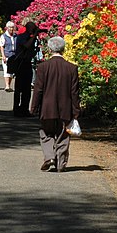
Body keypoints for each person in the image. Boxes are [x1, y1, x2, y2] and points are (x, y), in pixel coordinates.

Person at [30, 36, 80, 173]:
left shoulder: (42, 67)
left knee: (46, 133)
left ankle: (49, 157)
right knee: (63, 135)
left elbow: (38, 90)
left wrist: (34, 107)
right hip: (66, 109)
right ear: (63, 49)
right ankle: (61, 164)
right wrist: (76, 111)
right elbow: (74, 93)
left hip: (47, 108)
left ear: (49, 49)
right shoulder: (72, 68)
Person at [9, 21, 41, 116]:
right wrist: (34, 35)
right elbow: (26, 45)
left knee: (27, 89)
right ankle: (16, 109)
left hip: (27, 64)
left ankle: (24, 109)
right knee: (19, 88)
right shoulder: (21, 37)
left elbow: (32, 51)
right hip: (20, 64)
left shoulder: (31, 37)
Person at [0, 21, 18, 92]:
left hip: (14, 56)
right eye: (10, 27)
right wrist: (3, 56)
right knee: (6, 71)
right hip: (7, 55)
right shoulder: (3, 36)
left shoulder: (16, 36)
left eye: (12, 27)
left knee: (11, 72)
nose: (11, 29)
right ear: (7, 28)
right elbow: (2, 46)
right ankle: (7, 86)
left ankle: (8, 85)